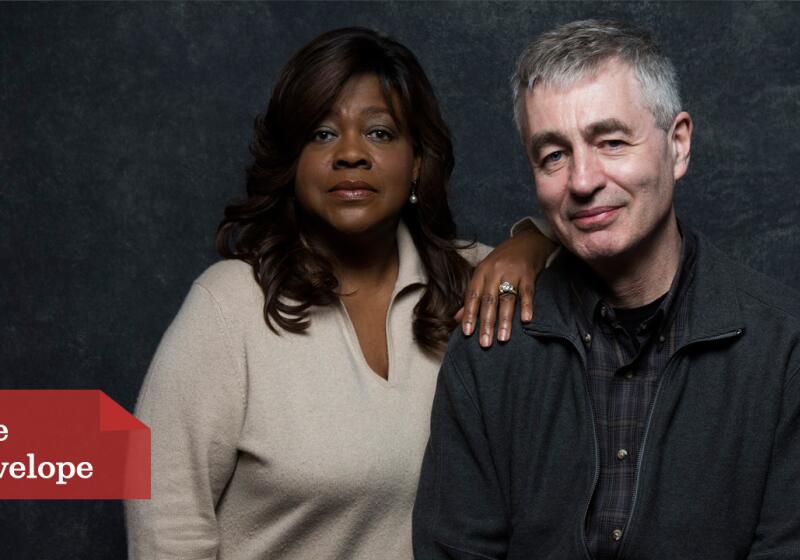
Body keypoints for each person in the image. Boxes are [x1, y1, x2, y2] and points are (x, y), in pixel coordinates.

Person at [413, 19, 800, 559]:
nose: (583, 180)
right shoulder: (489, 352)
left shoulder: (794, 353)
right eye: (553, 155)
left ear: (678, 145)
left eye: (611, 141)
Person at [124, 27, 557, 559]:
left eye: (379, 133)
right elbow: (166, 524)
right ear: (293, 163)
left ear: (418, 160)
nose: (351, 153)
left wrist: (533, 241)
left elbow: (605, 253)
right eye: (322, 134)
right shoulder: (229, 307)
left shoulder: (475, 280)